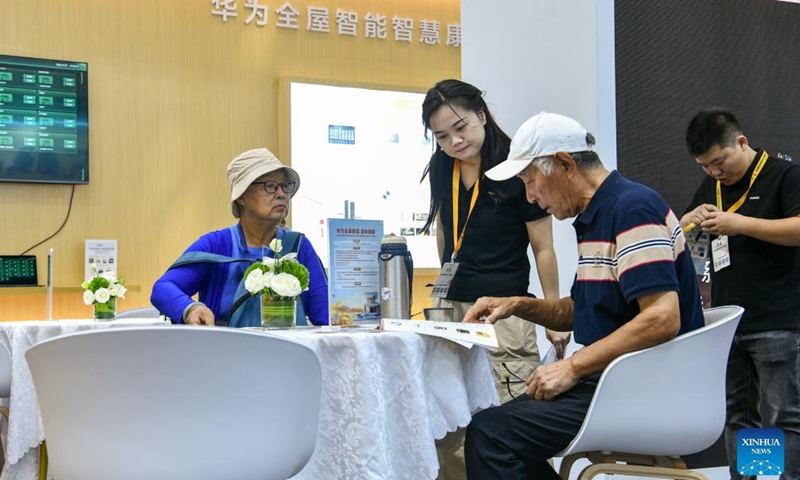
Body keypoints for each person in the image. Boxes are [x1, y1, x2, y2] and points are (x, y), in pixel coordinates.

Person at [461, 111, 704, 480]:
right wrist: (515, 304)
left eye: (530, 181)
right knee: (492, 428)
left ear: (564, 164)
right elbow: (580, 310)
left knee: (492, 434)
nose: (529, 195)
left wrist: (571, 367)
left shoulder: (632, 208)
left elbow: (662, 318)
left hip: (642, 388)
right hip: (614, 380)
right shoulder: (598, 215)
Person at [420, 80, 568, 479]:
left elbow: (543, 248)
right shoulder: (441, 166)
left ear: (482, 116)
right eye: (442, 136)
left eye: (461, 127)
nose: (454, 141)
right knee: (451, 418)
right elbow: (442, 227)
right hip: (452, 309)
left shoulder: (515, 166)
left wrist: (553, 313)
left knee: (511, 416)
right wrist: (443, 284)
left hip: (505, 312)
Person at [681, 108, 800, 480]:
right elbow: (681, 236)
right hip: (730, 321)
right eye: (705, 166)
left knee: (783, 417)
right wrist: (690, 220)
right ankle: (751, 477)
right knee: (738, 415)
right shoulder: (712, 187)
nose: (715, 172)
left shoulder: (785, 175)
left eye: (719, 161)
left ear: (741, 142)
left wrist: (740, 224)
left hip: (778, 319)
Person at [151, 147, 329, 327]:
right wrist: (191, 309)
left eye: (285, 186)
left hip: (286, 352)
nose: (282, 194)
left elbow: (325, 313)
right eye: (270, 186)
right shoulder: (216, 244)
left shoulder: (299, 246)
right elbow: (162, 289)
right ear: (242, 197)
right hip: (227, 351)